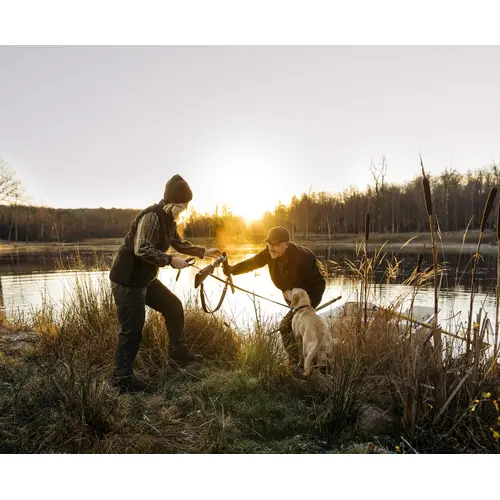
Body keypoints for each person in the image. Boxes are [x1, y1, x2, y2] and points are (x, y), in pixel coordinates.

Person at [109, 174, 221, 392]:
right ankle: (122, 378)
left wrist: (203, 252)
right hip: (128, 281)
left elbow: (177, 243)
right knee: (131, 330)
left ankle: (178, 352)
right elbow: (141, 249)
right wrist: (170, 260)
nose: (186, 208)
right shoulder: (152, 217)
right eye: (184, 204)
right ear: (173, 202)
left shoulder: (169, 220)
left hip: (144, 279)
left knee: (173, 306)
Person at [224, 226, 326, 364]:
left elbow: (319, 284)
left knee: (286, 326)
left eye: (276, 244)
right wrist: (232, 270)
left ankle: (299, 363)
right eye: (269, 243)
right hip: (291, 297)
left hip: (307, 297)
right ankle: (301, 361)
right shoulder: (270, 252)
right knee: (293, 327)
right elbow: (252, 263)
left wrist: (308, 306)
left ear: (286, 244)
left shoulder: (304, 258)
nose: (271, 247)